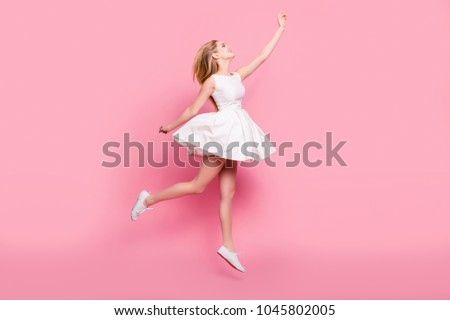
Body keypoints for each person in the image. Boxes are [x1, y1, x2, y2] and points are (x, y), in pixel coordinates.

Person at [131, 12, 287, 272]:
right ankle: (147, 200)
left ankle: (228, 246)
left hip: (236, 134)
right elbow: (193, 109)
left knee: (229, 193)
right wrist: (171, 125)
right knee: (198, 186)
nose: (228, 47)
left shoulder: (236, 77)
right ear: (215, 55)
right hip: (223, 133)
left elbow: (262, 57)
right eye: (223, 46)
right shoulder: (212, 81)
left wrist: (280, 29)